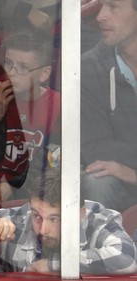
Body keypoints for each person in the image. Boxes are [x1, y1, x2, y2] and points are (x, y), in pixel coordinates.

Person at [0, 169, 137, 274]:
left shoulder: (98, 220)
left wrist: (53, 266)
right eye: (37, 216)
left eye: (55, 219)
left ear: (80, 213)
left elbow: (126, 257)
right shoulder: (17, 219)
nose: (43, 229)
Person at [0, 26, 61, 210]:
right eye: (9, 63)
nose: (12, 72)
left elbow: (52, 166)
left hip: (35, 195)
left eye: (23, 68)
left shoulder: (59, 106)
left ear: (44, 74)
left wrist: (12, 188)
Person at [81, 0, 137, 212]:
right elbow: (94, 146)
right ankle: (102, 245)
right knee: (97, 180)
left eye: (113, 7)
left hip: (130, 172)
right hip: (119, 181)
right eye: (102, 5)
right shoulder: (89, 66)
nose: (100, 16)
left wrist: (133, 175)